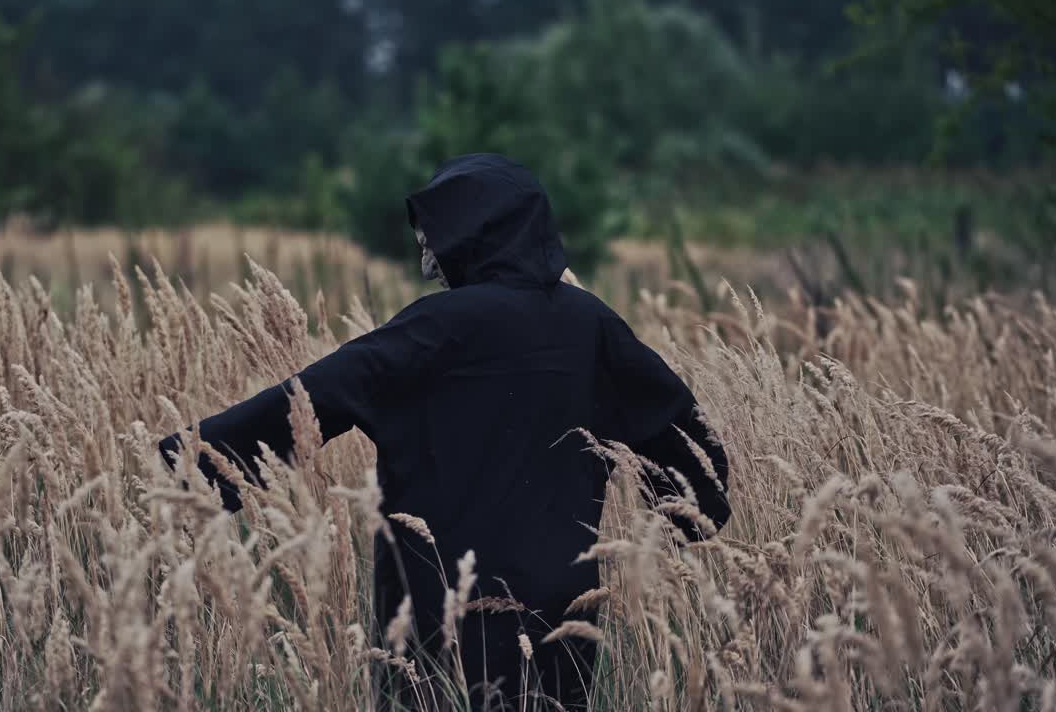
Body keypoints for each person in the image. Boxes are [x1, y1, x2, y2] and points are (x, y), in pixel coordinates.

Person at [159, 153, 730, 710]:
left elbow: (313, 399)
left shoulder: (435, 327)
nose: (424, 241)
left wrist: (187, 465)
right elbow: (689, 448)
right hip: (560, 609)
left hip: (437, 606)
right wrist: (673, 522)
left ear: (479, 230)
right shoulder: (591, 324)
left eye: (438, 226)